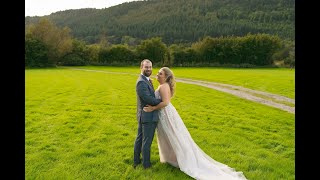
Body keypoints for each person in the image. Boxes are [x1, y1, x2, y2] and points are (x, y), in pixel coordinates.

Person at [143, 67, 247, 180]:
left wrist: (153, 108)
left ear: (166, 77)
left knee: (174, 136)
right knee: (169, 136)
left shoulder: (163, 86)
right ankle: (173, 158)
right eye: (158, 72)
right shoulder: (162, 85)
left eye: (160, 73)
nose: (157, 74)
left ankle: (183, 159)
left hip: (166, 114)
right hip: (164, 114)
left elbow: (166, 102)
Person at [134, 59, 162, 169]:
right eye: (146, 67)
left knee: (140, 139)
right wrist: (163, 101)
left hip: (144, 115)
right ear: (141, 67)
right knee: (146, 141)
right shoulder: (141, 82)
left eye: (150, 67)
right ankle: (146, 164)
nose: (149, 69)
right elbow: (148, 98)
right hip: (147, 115)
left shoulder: (146, 80)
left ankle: (137, 161)